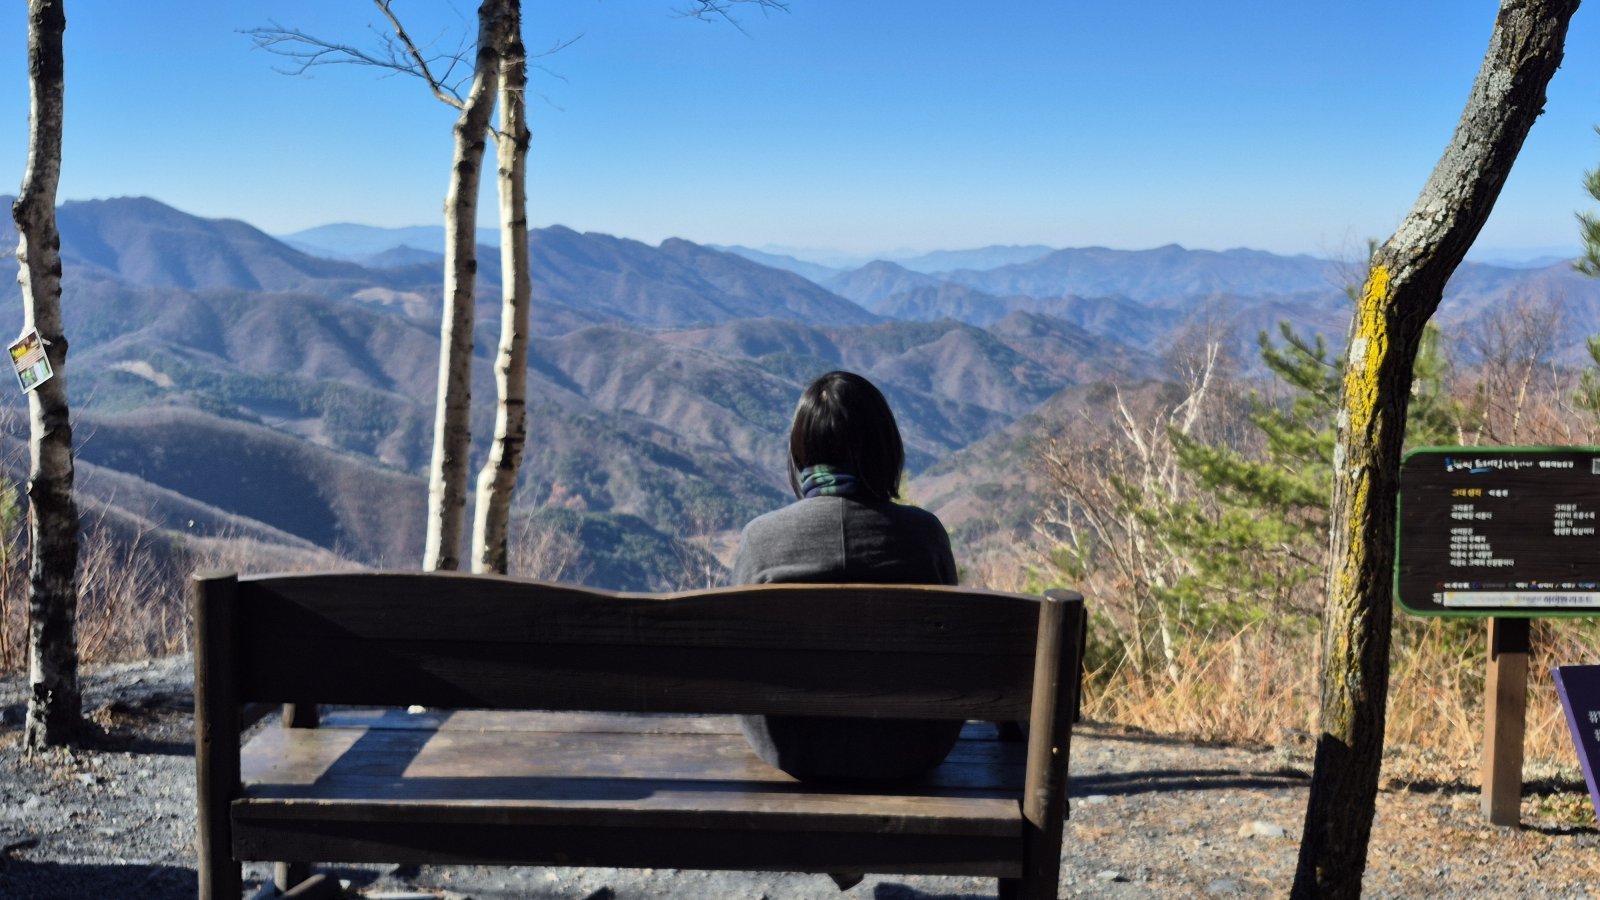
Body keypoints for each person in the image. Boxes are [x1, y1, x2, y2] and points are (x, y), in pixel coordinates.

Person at [730, 370, 963, 782]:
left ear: (799, 451)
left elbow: (738, 659)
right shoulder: (923, 536)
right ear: (885, 448)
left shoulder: (760, 540)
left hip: (790, 748)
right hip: (911, 748)